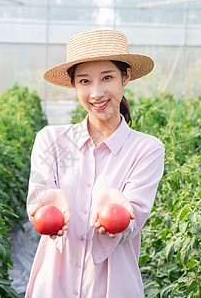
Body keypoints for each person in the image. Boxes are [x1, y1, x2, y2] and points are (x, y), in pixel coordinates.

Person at [25, 29, 165, 298]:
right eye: (85, 81)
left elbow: (130, 223)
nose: (96, 92)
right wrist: (45, 200)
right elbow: (39, 206)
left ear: (126, 77)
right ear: (74, 85)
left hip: (112, 288)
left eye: (107, 78)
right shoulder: (50, 140)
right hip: (54, 286)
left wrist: (116, 205)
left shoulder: (147, 149)